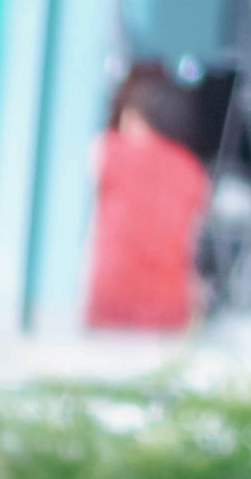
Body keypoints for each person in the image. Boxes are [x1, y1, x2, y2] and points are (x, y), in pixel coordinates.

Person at [84, 64, 210, 333]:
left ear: (131, 117)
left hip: (108, 306)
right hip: (169, 314)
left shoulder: (107, 151)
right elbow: (191, 252)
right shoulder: (193, 172)